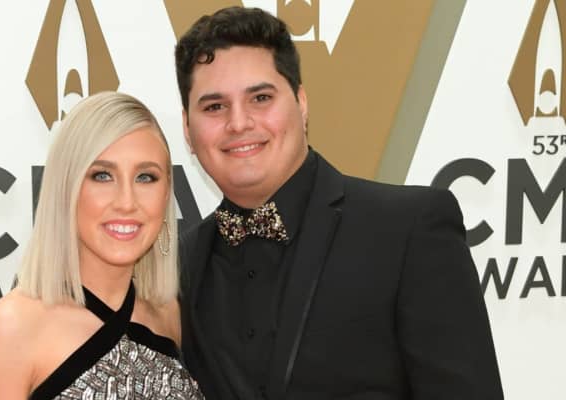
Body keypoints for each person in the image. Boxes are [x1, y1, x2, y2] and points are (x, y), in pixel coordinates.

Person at [175, 6, 504, 400]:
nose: (239, 122)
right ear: (188, 129)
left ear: (301, 103)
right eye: (214, 107)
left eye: (260, 98)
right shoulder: (180, 265)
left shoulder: (407, 231)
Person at [0, 92, 204, 399]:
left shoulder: (169, 314)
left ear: (167, 191)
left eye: (145, 177)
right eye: (102, 176)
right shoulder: (12, 328)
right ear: (66, 188)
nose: (127, 202)